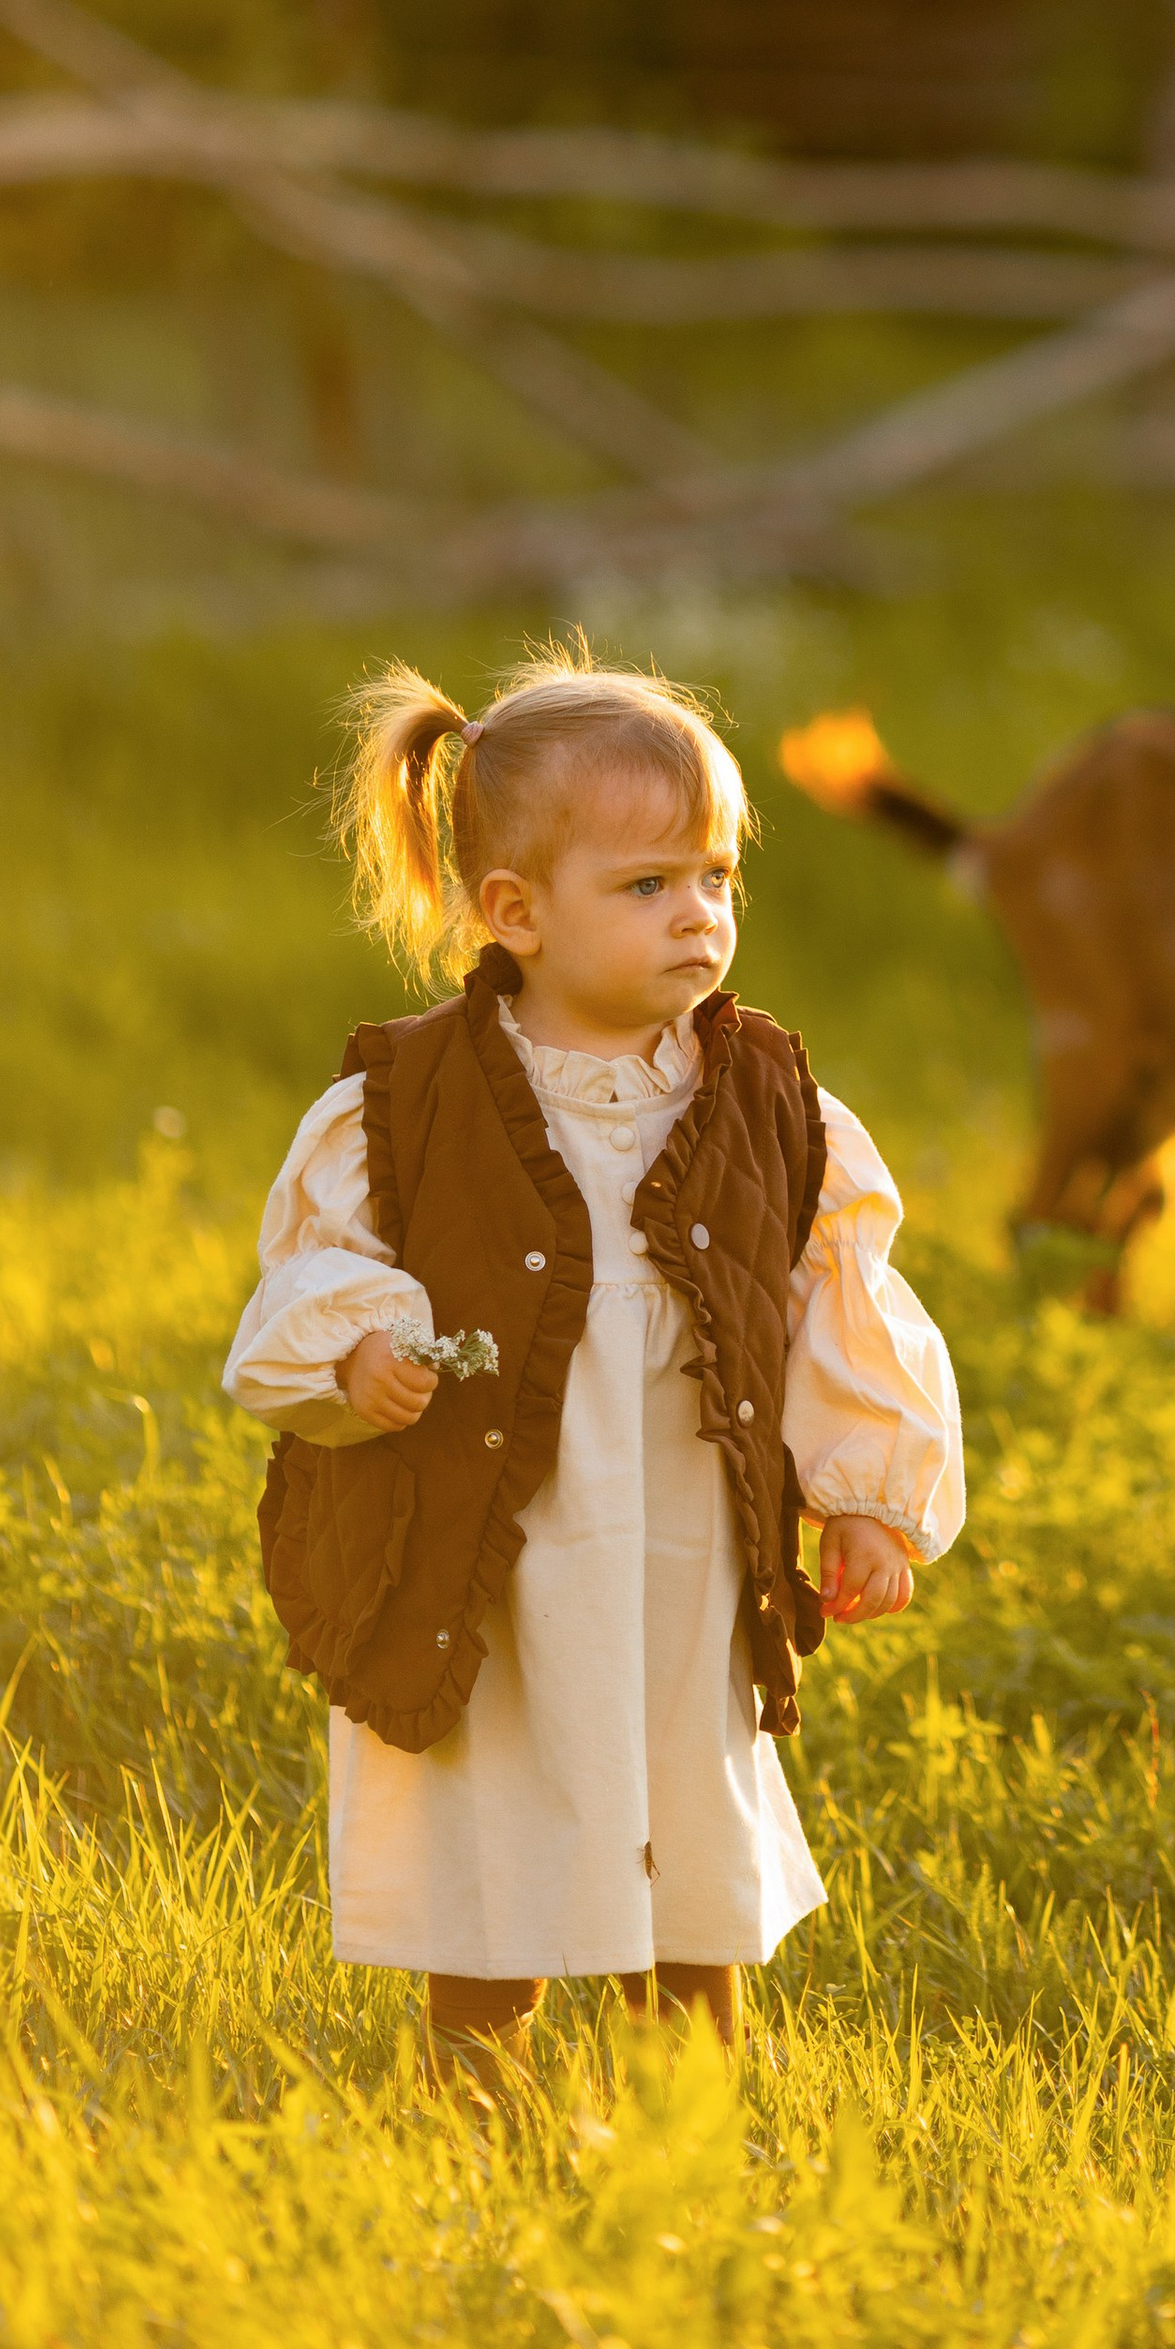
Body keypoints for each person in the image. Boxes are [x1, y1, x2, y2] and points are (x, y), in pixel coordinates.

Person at [223, 646, 962, 2083]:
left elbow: (832, 1302)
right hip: (499, 1553)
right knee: (492, 1797)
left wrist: (867, 1493)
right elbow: (314, 1272)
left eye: (717, 878)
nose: (698, 914)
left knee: (686, 1795)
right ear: (516, 913)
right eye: (647, 885)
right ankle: (477, 2087)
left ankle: (688, 2105)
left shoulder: (767, 1099)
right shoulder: (405, 1102)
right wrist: (360, 1351)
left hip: (686, 1549)